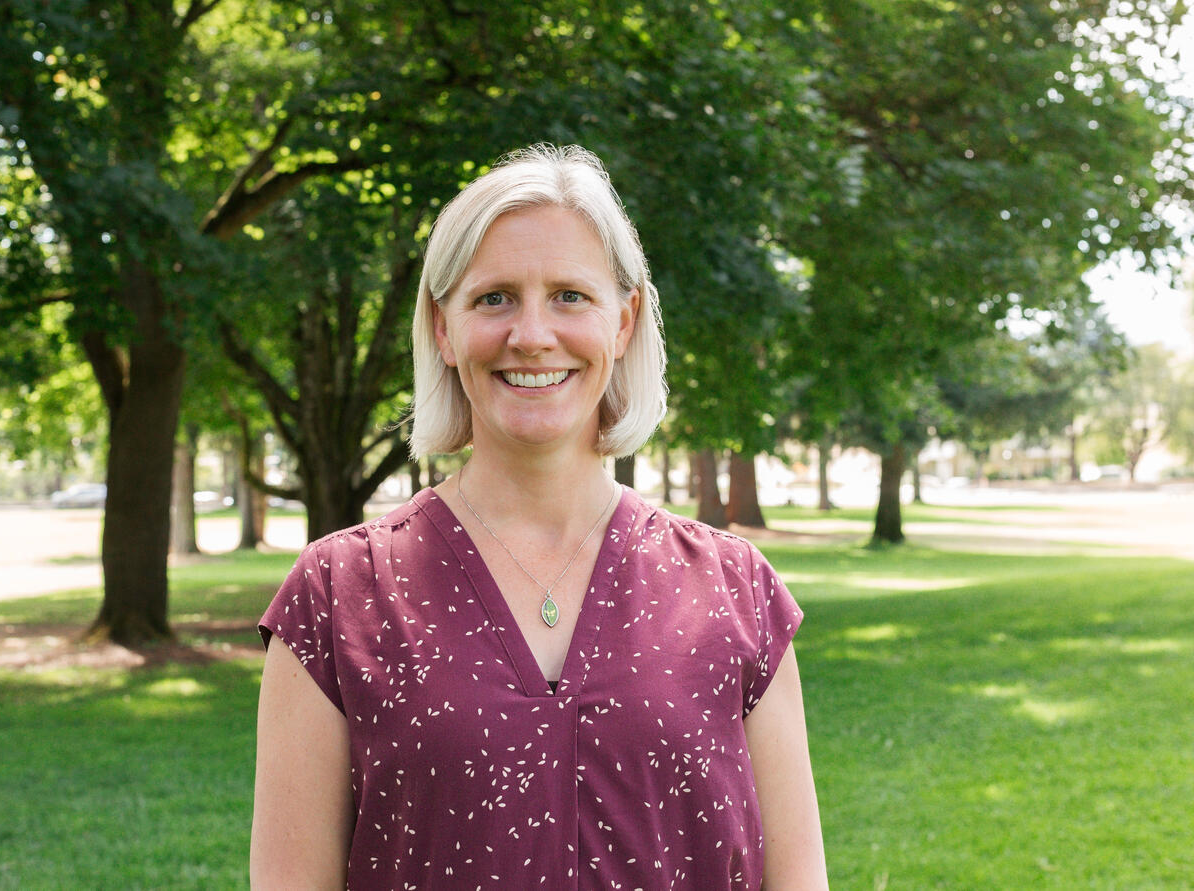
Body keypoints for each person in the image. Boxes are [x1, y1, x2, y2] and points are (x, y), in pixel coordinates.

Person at [251, 144, 828, 890]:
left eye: (569, 295)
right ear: (441, 327)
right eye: (494, 298)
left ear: (623, 323)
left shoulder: (735, 591)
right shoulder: (338, 597)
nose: (531, 335)